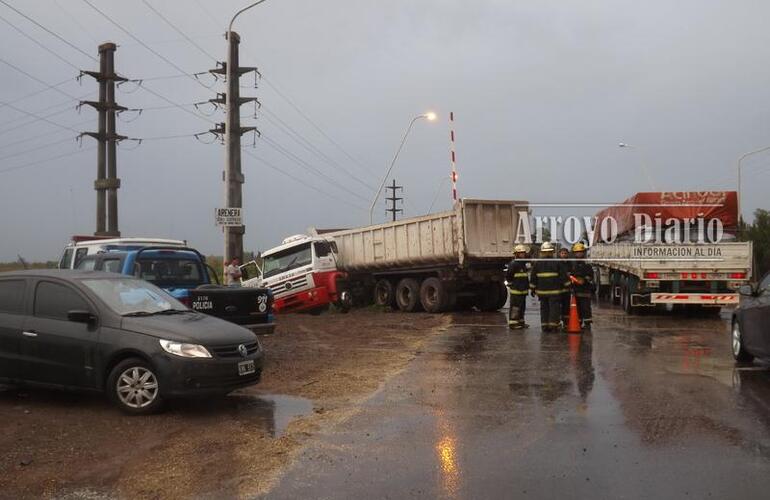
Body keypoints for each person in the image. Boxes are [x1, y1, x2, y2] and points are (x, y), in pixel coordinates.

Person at [530, 242, 569, 332]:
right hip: (554, 291)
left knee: (544, 309)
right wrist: (568, 285)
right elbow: (563, 276)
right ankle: (553, 326)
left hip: (542, 292)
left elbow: (533, 277)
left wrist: (532, 288)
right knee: (554, 309)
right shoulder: (557, 263)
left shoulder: (537, 263)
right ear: (553, 252)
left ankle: (544, 326)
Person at [505, 244, 531, 330]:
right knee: (515, 307)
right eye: (520, 253)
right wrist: (513, 284)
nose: (523, 254)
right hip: (516, 290)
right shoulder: (514, 264)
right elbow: (509, 276)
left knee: (522, 307)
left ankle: (520, 322)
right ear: (516, 254)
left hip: (523, 290)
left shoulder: (523, 264)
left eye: (523, 253)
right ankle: (513, 323)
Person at [570, 242, 594, 330]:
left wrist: (585, 279)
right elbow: (569, 275)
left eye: (580, 252)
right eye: (577, 252)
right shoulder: (572, 264)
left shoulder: (587, 263)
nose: (579, 253)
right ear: (574, 253)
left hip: (585, 290)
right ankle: (578, 323)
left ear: (583, 252)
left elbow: (591, 276)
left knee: (586, 308)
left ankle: (587, 324)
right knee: (577, 309)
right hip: (576, 290)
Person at [558, 246, 573, 329]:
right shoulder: (557, 263)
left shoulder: (569, 263)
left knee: (566, 306)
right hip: (559, 289)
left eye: (565, 253)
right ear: (559, 254)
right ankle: (558, 321)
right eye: (562, 253)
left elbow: (572, 273)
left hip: (567, 290)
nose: (564, 255)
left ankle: (566, 322)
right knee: (558, 306)